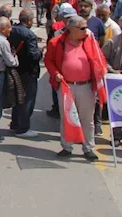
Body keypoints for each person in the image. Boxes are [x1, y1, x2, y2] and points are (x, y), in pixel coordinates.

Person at [44, 15, 106, 161]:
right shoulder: (56, 42)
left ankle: (88, 148)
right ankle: (67, 146)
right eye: (83, 28)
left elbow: (99, 58)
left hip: (86, 86)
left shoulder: (90, 42)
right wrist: (56, 73)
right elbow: (49, 60)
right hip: (67, 86)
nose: (87, 30)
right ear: (72, 29)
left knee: (87, 119)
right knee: (67, 118)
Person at [8, 9, 42, 138]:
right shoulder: (30, 35)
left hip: (16, 68)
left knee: (17, 98)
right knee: (28, 100)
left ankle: (15, 123)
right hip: (29, 71)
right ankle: (23, 128)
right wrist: (40, 51)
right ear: (29, 21)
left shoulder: (13, 30)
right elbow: (34, 56)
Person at [103, 14, 122, 145]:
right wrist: (113, 71)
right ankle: (116, 136)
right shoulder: (113, 42)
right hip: (118, 81)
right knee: (117, 109)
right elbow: (103, 60)